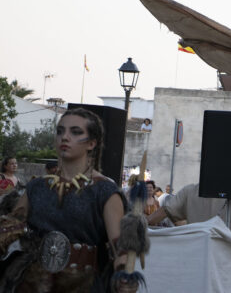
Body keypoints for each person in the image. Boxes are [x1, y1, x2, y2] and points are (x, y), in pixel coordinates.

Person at [0, 107, 133, 292]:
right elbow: (9, 231)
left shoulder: (105, 191)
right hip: (31, 284)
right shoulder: (36, 187)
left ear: (91, 143)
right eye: (60, 131)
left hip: (82, 285)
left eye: (76, 132)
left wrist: (124, 277)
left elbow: (121, 247)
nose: (65, 137)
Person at [147, 183, 231, 228]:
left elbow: (166, 210)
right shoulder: (189, 191)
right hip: (218, 251)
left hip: (197, 247)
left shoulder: (189, 191)